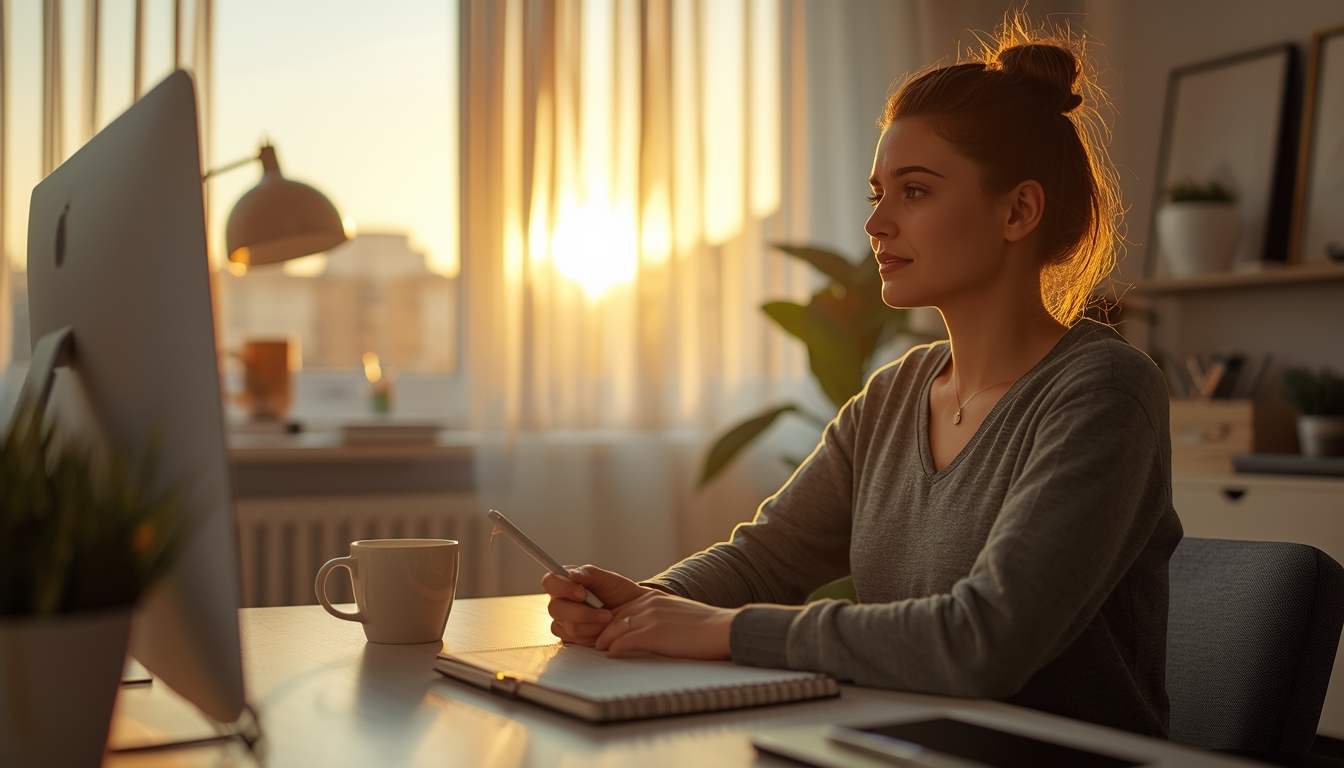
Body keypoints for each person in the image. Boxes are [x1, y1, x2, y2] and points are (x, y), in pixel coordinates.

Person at [542, 18, 1183, 738]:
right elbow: (765, 561)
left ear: (1018, 210)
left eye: (915, 192)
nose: (877, 224)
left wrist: (722, 630)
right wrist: (642, 603)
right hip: (905, 745)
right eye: (878, 194)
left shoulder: (1104, 391)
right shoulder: (892, 397)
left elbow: (985, 641)